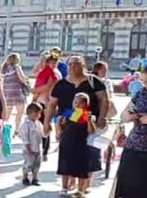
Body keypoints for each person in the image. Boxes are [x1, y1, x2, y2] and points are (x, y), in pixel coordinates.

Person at [44, 55, 110, 195]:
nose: (73, 67)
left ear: (83, 66)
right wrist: (47, 123)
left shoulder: (94, 81)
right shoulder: (61, 84)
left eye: (77, 64)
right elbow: (51, 105)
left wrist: (102, 117)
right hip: (67, 126)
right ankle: (68, 185)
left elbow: (104, 99)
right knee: (68, 156)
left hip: (88, 124)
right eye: (71, 64)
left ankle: (83, 186)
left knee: (88, 157)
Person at [113, 63, 147, 197]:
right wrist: (127, 115)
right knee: (130, 187)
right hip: (135, 146)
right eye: (144, 81)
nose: (145, 85)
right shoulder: (141, 93)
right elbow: (124, 112)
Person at [58, 92, 97, 196]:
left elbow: (92, 131)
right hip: (67, 142)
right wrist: (59, 126)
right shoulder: (69, 113)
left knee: (81, 168)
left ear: (85, 104)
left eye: (80, 103)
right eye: (75, 102)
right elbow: (62, 128)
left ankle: (80, 190)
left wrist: (89, 121)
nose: (77, 105)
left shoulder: (88, 115)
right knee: (65, 166)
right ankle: (64, 188)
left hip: (80, 144)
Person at [1, 53, 31, 136]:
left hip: (7, 94)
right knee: (19, 113)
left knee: (7, 114)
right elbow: (22, 79)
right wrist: (26, 80)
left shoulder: (5, 69)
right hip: (17, 93)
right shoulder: (17, 67)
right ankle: (17, 130)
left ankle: (3, 129)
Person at [18, 102, 45, 186]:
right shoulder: (26, 125)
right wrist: (28, 148)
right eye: (37, 113)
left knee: (37, 164)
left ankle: (35, 178)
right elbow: (25, 137)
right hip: (29, 149)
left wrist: (47, 131)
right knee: (28, 164)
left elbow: (43, 134)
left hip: (38, 148)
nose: (39, 115)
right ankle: (25, 177)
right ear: (31, 113)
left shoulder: (38, 124)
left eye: (39, 113)